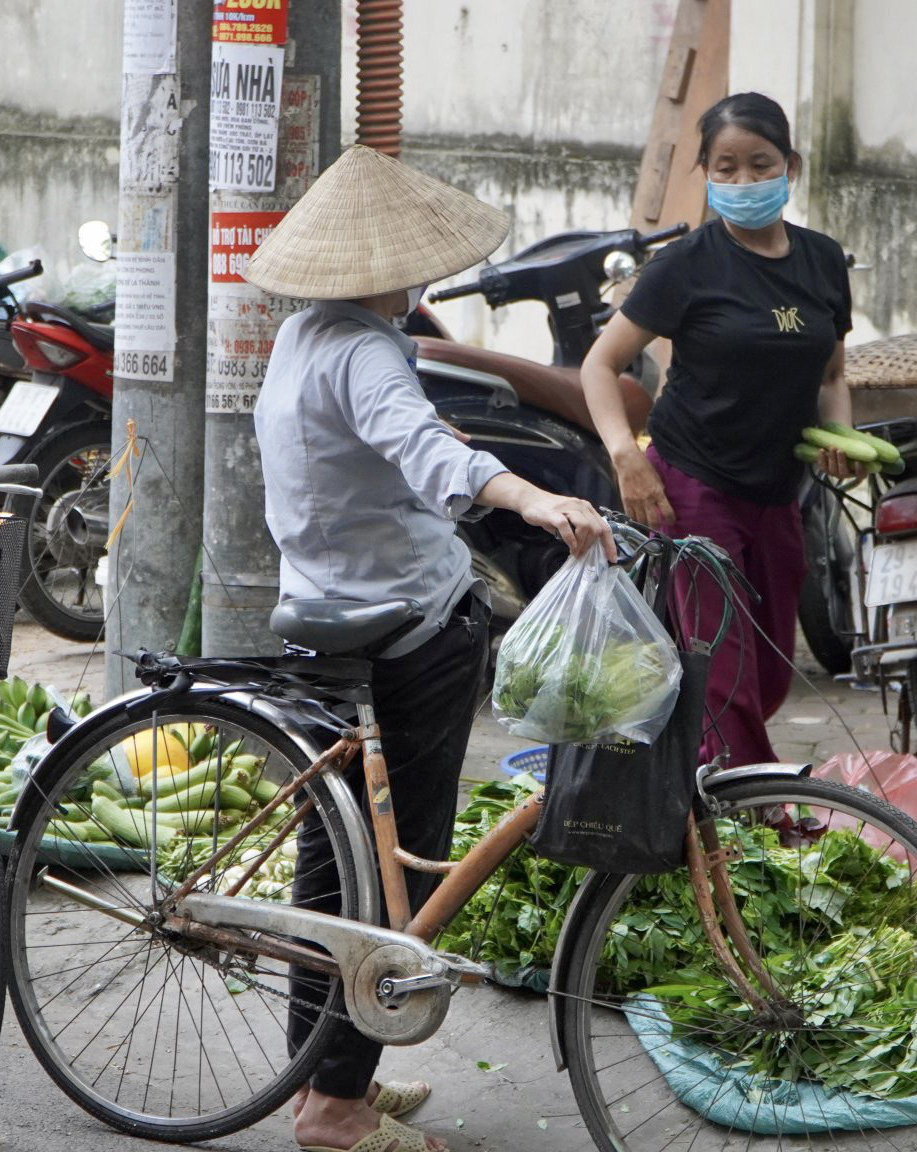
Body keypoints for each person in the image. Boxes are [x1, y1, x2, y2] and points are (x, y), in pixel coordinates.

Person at [245, 144, 613, 1152]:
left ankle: (316, 1079)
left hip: (321, 609)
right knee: (391, 869)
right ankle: (335, 1106)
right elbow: (424, 446)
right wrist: (535, 500)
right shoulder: (368, 348)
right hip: (401, 622)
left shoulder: (303, 334)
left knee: (338, 866)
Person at [580, 92, 861, 769]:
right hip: (694, 484)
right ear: (705, 173)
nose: (742, 182)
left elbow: (830, 374)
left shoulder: (822, 261)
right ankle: (747, 819)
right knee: (725, 662)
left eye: (759, 165)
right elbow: (601, 363)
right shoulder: (685, 265)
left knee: (765, 672)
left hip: (778, 490)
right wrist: (625, 454)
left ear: (789, 165)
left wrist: (840, 437)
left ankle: (696, 770)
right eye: (725, 168)